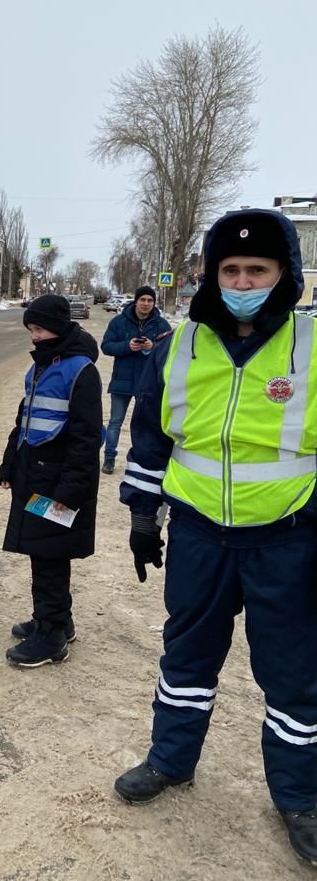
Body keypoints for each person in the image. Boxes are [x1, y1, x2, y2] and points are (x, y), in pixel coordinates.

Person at [114, 209, 317, 867]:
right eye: (231, 269)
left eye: (257, 269)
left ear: (284, 273)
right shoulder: (182, 344)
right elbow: (150, 435)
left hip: (286, 541)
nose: (243, 280)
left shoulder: (311, 348)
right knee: (188, 657)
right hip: (199, 535)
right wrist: (143, 515)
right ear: (212, 273)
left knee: (293, 677)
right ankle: (171, 762)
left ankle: (299, 797)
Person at [0, 295, 102, 667]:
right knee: (42, 553)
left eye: (39, 329)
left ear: (58, 327)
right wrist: (10, 463)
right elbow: (24, 419)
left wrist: (68, 494)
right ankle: (55, 619)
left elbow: (88, 441)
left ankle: (52, 636)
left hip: (59, 485)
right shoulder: (39, 367)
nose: (34, 337)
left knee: (50, 556)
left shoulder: (81, 371)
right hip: (33, 476)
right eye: (30, 330)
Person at [100, 285, 171, 474]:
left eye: (150, 300)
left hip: (148, 383)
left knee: (146, 423)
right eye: (143, 300)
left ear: (154, 303)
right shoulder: (119, 322)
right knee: (115, 422)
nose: (146, 304)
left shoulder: (161, 325)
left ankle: (143, 461)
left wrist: (152, 347)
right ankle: (109, 459)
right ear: (136, 301)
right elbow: (106, 346)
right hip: (122, 381)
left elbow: (169, 351)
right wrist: (127, 346)